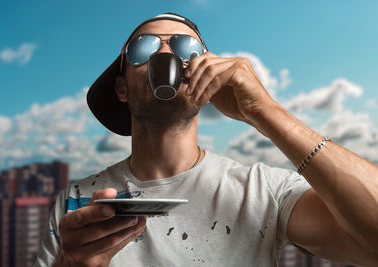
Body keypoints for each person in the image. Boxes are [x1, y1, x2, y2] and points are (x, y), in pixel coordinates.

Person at [34, 13, 378, 266]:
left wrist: (264, 111)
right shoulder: (78, 202)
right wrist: (71, 263)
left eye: (187, 47)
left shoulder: (264, 191)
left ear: (207, 72)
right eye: (143, 47)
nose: (164, 55)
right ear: (122, 88)